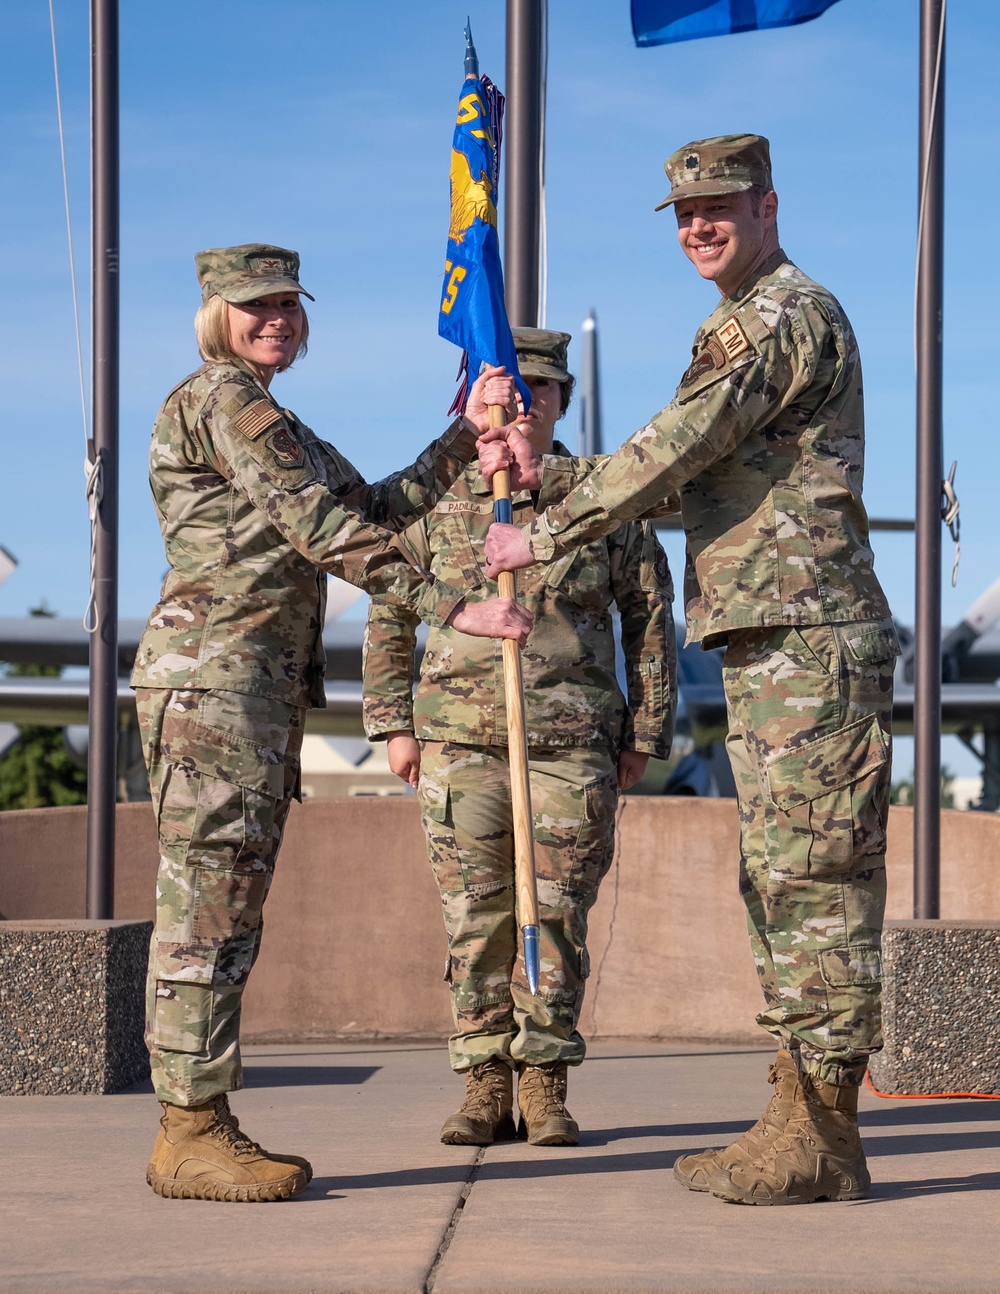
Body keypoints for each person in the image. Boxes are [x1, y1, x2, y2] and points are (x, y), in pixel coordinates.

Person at [482, 137, 898, 1204]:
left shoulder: (775, 316)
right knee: (780, 879)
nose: (697, 226)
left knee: (812, 881)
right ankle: (797, 1110)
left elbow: (678, 441)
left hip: (807, 635)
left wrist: (552, 523)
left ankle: (823, 1130)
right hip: (773, 637)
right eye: (681, 212)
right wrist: (547, 480)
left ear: (766, 205)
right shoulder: (743, 320)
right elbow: (694, 483)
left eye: (716, 206)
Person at [131, 243, 531, 1203]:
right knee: (206, 909)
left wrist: (462, 442)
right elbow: (321, 529)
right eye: (253, 304)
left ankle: (198, 1119)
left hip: (251, 693)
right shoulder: (221, 400)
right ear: (213, 313)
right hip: (213, 686)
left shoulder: (275, 420)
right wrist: (453, 603)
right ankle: (188, 1129)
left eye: (288, 303)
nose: (276, 318)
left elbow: (369, 507)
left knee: (227, 909)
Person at [363, 328, 675, 1147]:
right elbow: (391, 610)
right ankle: (482, 1082)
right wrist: (392, 722)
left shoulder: (603, 497)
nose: (523, 402)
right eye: (508, 388)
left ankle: (543, 1079)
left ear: (564, 399)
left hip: (571, 744)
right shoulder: (439, 498)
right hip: (461, 743)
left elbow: (649, 618)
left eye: (541, 388)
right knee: (476, 915)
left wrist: (644, 729)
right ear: (478, 400)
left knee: (558, 913)